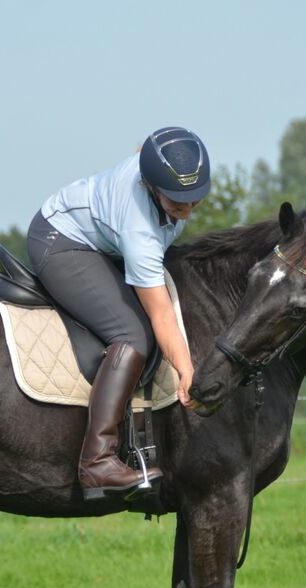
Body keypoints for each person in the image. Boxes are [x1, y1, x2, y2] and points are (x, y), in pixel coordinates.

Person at [26, 126, 210, 500]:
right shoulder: (139, 231)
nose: (187, 210)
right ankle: (97, 460)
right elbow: (161, 317)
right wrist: (187, 370)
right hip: (61, 243)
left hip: (96, 240)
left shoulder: (156, 164)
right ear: (151, 187)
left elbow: (148, 145)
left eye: (194, 200)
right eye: (177, 203)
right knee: (132, 334)